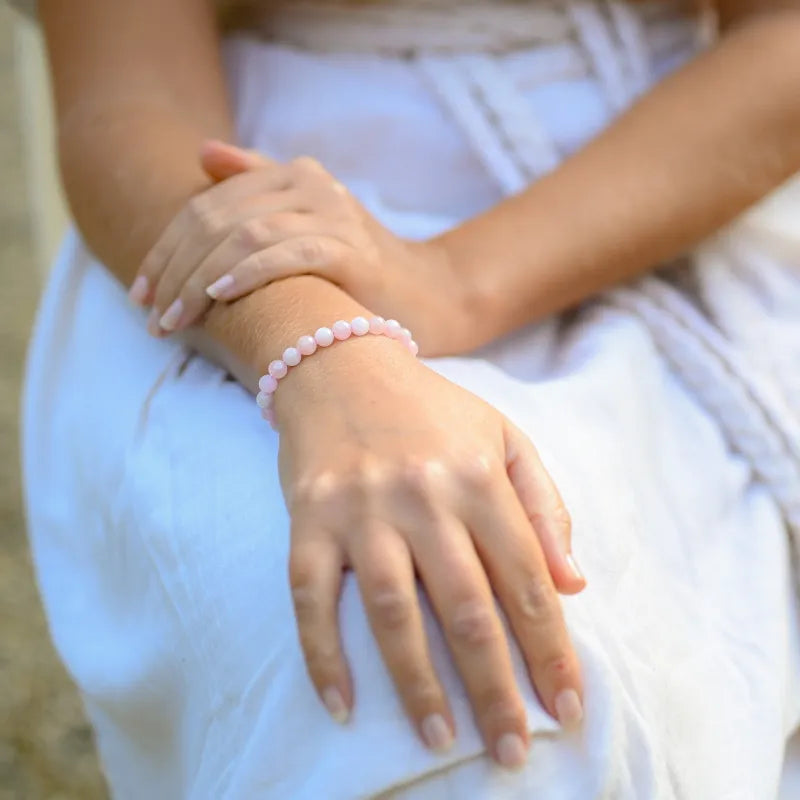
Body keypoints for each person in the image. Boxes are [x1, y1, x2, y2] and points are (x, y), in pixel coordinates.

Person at [18, 0, 800, 796]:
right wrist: (324, 356)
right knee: (403, 625)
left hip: (660, 187)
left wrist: (453, 279)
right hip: (253, 228)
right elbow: (128, 99)